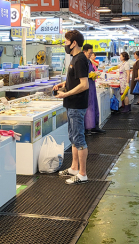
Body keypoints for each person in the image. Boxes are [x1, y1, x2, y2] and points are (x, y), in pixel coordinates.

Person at [53, 30, 90, 185]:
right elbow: (75, 80)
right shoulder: (74, 59)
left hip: (76, 104)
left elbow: (84, 84)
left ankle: (82, 174)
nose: (65, 44)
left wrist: (66, 94)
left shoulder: (80, 59)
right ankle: (74, 168)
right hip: (71, 104)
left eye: (66, 41)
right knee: (73, 138)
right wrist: (63, 85)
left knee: (79, 139)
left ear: (74, 43)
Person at [83, 44, 105, 135]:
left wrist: (94, 74)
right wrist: (89, 75)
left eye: (91, 53)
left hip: (92, 86)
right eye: (89, 53)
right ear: (84, 51)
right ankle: (87, 128)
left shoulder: (88, 61)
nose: (91, 54)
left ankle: (94, 126)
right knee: (88, 108)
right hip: (86, 87)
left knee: (94, 106)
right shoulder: (81, 61)